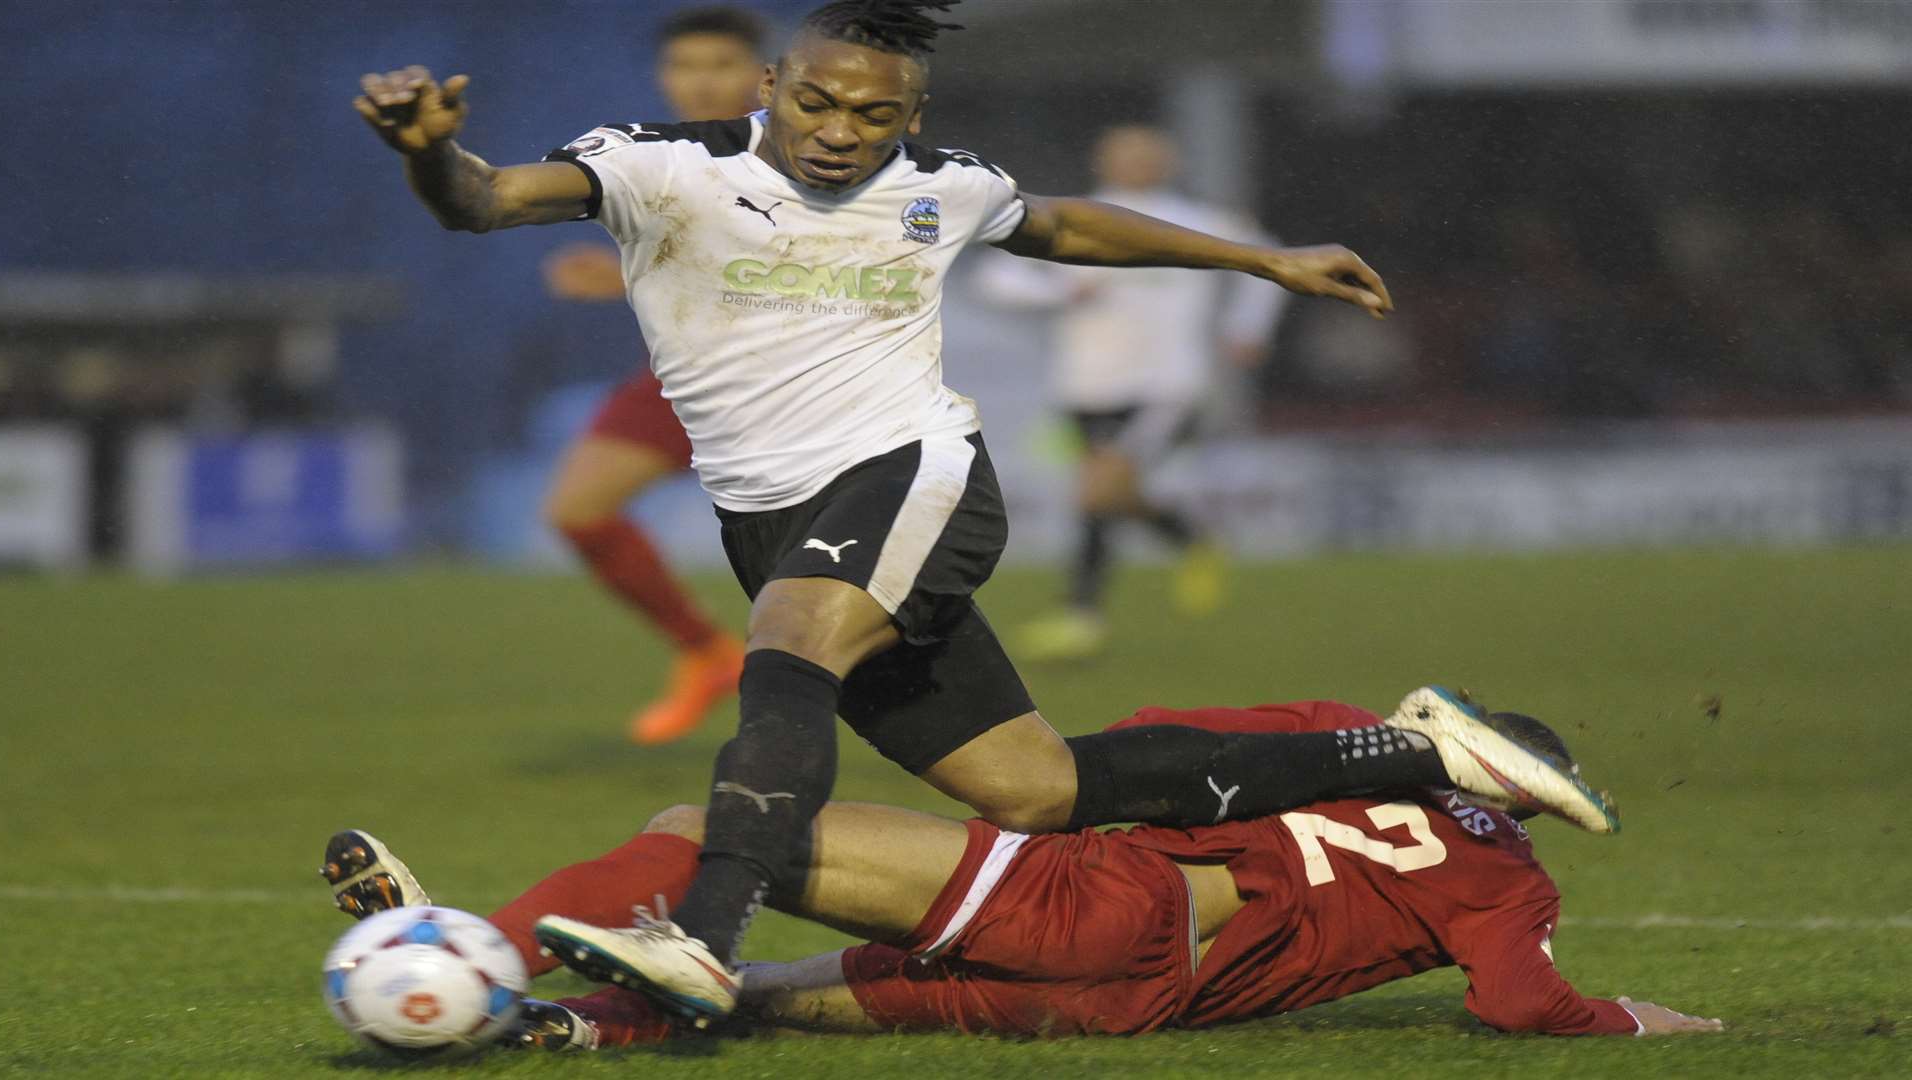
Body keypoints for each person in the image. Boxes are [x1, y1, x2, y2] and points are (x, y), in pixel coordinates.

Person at [353, 0, 1611, 1024]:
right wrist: (423, 150)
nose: (841, 132)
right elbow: (482, 201)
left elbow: (1059, 222)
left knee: (788, 649)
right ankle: (1427, 749)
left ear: (914, 116)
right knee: (1035, 789)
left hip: (908, 475)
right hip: (765, 511)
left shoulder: (941, 182)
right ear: (774, 82)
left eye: (873, 114)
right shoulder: (658, 166)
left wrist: (1259, 260)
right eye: (817, 101)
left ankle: (703, 936)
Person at [322, 693, 1708, 1051]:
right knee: (753, 998)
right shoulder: (1514, 886)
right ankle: (541, 1024)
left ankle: (467, 948)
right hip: (1126, 1002)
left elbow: (1168, 756)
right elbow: (1524, 1010)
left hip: (1093, 899)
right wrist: (1641, 1022)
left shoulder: (1339, 741)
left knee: (704, 830)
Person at [538, 7, 770, 747]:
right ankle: (707, 652)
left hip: (786, 381)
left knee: (816, 574)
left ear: (764, 75)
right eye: (684, 66)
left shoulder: (802, 155)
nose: (700, 82)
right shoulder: (655, 153)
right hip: (684, 374)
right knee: (579, 510)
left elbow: (798, 274)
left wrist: (625, 282)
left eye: (720, 64)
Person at [975, 126, 1290, 661]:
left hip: (1168, 385)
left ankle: (1081, 614)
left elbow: (1268, 261)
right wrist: (1061, 289)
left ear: (1169, 161)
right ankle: (1188, 538)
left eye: (1148, 155)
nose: (1137, 163)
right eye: (1126, 154)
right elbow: (996, 279)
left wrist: (1247, 328)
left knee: (1098, 492)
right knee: (1103, 497)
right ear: (1103, 159)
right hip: (1088, 384)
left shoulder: (1199, 220)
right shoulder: (1074, 216)